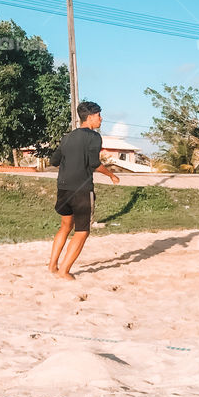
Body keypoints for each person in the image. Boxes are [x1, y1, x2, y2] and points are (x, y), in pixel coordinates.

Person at [47, 101, 120, 279]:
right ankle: (64, 271)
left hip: (63, 187)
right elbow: (94, 164)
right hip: (81, 190)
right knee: (82, 231)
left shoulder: (67, 137)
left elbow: (54, 161)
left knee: (65, 226)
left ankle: (52, 265)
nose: (101, 119)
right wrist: (111, 175)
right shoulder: (94, 137)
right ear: (90, 117)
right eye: (98, 115)